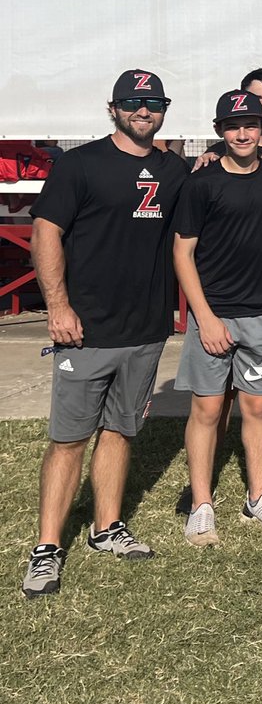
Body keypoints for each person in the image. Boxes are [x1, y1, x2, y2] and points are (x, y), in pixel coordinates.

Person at [23, 70, 188, 598]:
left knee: (120, 430)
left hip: (146, 329)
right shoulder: (80, 165)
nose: (145, 110)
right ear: (113, 108)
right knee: (69, 439)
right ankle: (48, 548)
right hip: (85, 329)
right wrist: (58, 306)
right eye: (134, 102)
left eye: (154, 102)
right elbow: (45, 232)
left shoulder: (174, 169)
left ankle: (106, 528)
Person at [174, 91, 262, 545]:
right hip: (215, 315)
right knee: (206, 408)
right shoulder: (201, 182)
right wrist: (203, 317)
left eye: (250, 124)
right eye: (232, 126)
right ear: (219, 130)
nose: (243, 134)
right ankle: (202, 503)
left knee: (257, 406)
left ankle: (258, 496)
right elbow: (182, 254)